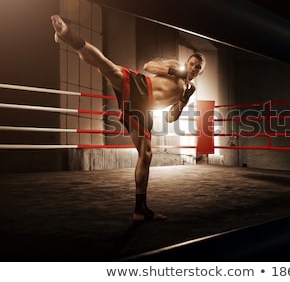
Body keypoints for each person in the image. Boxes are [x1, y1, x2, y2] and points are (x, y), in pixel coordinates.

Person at [50, 15, 206, 221]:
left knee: (146, 155)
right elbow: (148, 66)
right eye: (192, 64)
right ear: (188, 62)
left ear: (200, 72)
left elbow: (170, 118)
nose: (193, 69)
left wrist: (184, 102)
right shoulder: (176, 65)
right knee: (107, 67)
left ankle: (140, 209)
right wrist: (173, 70)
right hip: (141, 86)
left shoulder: (188, 89)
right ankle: (68, 36)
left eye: (197, 68)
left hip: (144, 110)